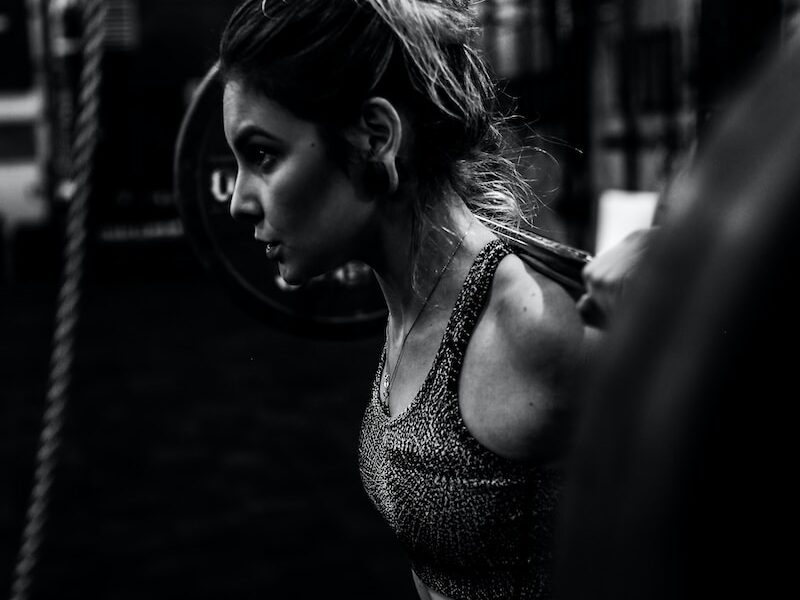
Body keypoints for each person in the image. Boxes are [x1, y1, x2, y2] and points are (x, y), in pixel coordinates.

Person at [218, 1, 595, 598]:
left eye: (263, 154)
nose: (239, 198)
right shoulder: (411, 304)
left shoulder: (530, 323)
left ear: (375, 137)